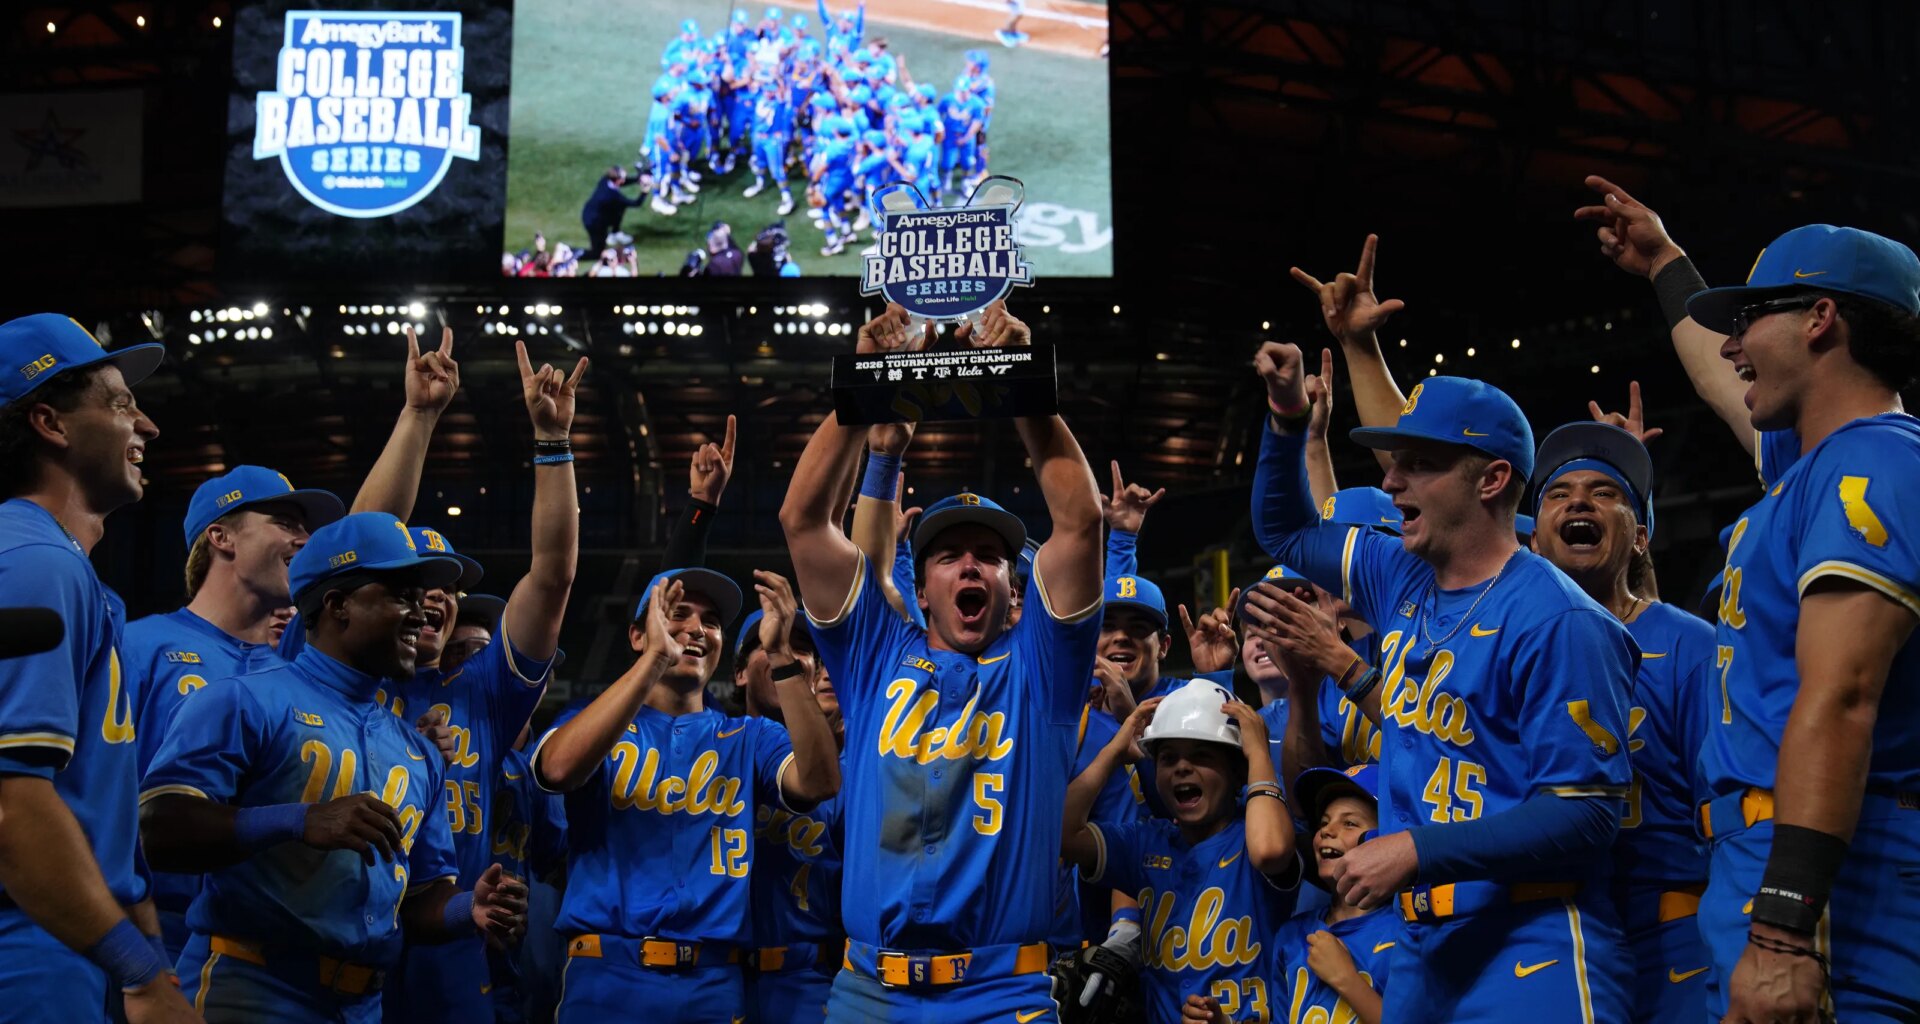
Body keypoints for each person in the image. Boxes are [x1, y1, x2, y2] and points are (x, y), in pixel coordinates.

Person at [1246, 329, 1635, 1023]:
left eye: (1419, 464)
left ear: (1490, 479)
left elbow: (1587, 810)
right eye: (1395, 463)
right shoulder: (1397, 571)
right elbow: (1284, 531)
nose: (1391, 481)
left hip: (1531, 936)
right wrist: (1284, 419)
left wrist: (1419, 848)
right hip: (1421, 946)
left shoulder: (1558, 618)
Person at [779, 302, 1104, 1023]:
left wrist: (1023, 384)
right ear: (919, 585)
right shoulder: (872, 656)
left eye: (990, 557)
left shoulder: (1042, 673)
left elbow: (1081, 522)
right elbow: (803, 521)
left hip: (1002, 995)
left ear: (1012, 589)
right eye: (950, 555)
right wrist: (861, 387)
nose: (971, 567)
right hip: (870, 992)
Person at [139, 512, 528, 1023]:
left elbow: (422, 893)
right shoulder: (243, 700)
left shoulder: (417, 752)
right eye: (399, 595)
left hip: (363, 1004)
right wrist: (300, 820)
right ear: (338, 605)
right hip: (252, 988)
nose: (419, 613)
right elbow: (160, 830)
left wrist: (468, 909)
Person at [1679, 224, 1920, 1024]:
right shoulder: (1813, 464)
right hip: (1773, 856)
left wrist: (1782, 930)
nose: (1733, 341)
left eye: (1749, 318)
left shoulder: (1873, 463)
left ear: (1820, 319)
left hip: (1834, 877)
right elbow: (1723, 380)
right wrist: (1661, 263)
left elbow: (1844, 697)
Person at [531, 568, 840, 1023]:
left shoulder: (750, 736)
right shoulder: (599, 725)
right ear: (638, 635)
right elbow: (556, 769)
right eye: (678, 614)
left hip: (713, 983)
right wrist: (654, 661)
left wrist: (780, 655)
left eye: (712, 621)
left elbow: (819, 783)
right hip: (607, 976)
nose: (697, 629)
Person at [381, 340, 585, 1023]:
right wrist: (418, 416)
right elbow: (360, 535)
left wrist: (552, 442)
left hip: (449, 947)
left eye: (447, 588)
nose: (435, 597)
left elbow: (552, 576)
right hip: (333, 943)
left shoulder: (482, 695)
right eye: (413, 583)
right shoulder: (337, 680)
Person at [0, 313, 196, 1022]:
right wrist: (139, 972)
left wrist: (151, 961)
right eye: (119, 403)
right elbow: (11, 806)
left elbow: (96, 807)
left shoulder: (74, 576)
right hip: (31, 943)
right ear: (50, 423)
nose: (146, 426)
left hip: (75, 937)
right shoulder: (32, 563)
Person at [1529, 420, 1716, 1024]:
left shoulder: (1690, 647)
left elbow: (1732, 812)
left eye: (1606, 492)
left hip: (1671, 938)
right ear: (1532, 540)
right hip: (1554, 935)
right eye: (1558, 494)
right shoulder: (1516, 649)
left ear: (1640, 538)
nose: (1579, 500)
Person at [123, 466, 344, 960]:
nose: (306, 539)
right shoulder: (140, 645)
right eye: (286, 522)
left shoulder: (292, 671)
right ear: (220, 536)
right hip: (147, 924)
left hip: (259, 942)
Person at [1060, 681, 1300, 1024]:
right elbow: (1063, 835)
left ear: (1236, 772)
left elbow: (1270, 851)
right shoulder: (1147, 842)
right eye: (1168, 758)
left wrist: (1258, 754)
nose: (1182, 768)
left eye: (1202, 755)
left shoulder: (1258, 831)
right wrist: (1113, 752)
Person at [1185, 764, 1396, 1024]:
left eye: (1350, 823)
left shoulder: (1405, 932)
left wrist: (1347, 980)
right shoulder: (1293, 934)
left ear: (1385, 840)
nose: (1327, 831)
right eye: (1323, 822)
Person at [735, 585, 847, 1024]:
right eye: (771, 644)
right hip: (714, 976)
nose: (792, 656)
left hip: (808, 979)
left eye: (804, 650)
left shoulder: (844, 774)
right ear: (740, 673)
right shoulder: (711, 748)